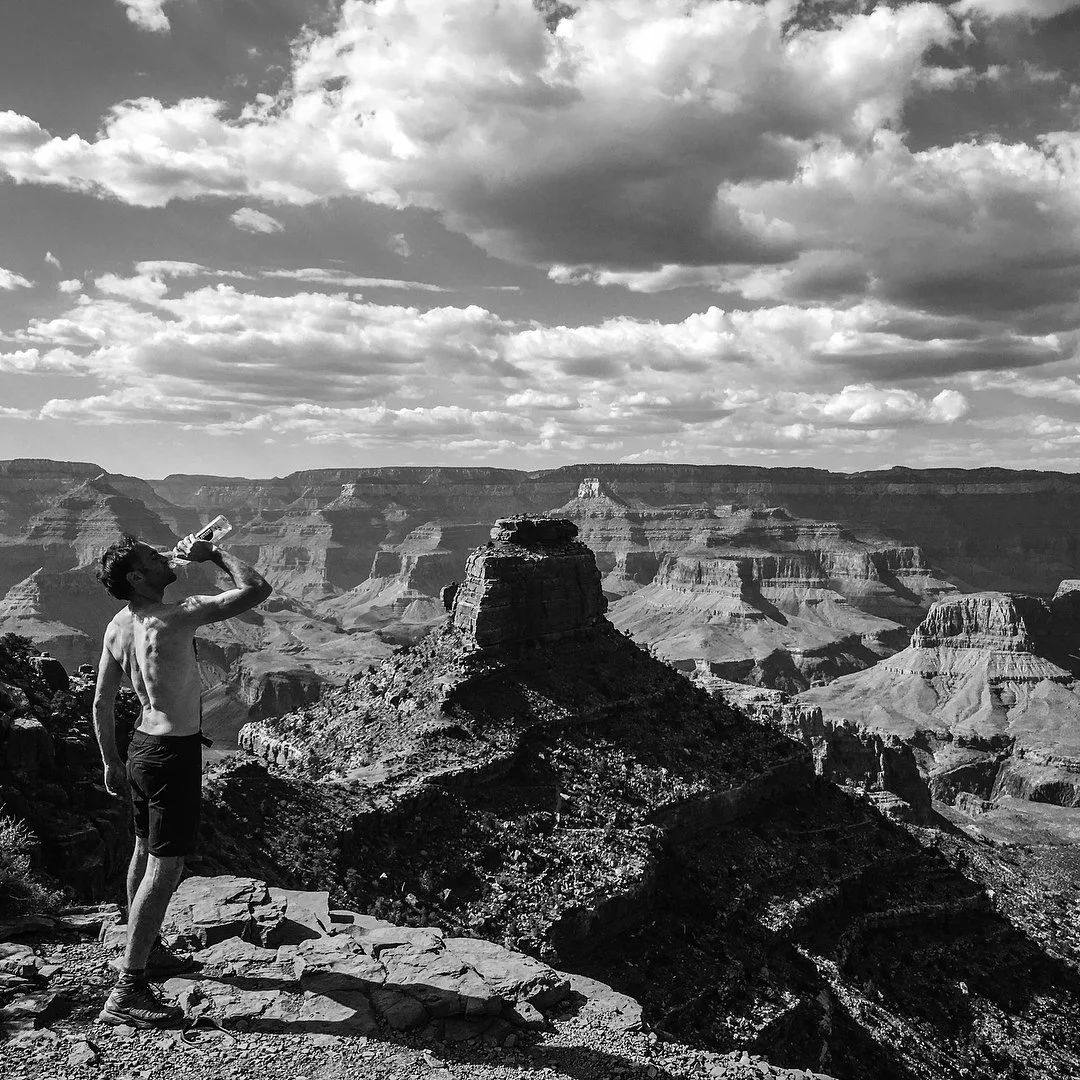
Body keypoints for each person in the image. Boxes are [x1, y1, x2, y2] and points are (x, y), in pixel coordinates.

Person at [92, 532, 272, 1028]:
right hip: (172, 756)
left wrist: (111, 761)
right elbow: (257, 590)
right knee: (166, 869)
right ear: (136, 577)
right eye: (153, 557)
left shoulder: (117, 625)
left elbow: (102, 701)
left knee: (141, 852)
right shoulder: (176, 617)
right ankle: (129, 988)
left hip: (141, 749)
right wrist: (212, 554)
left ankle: (146, 950)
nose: (165, 556)